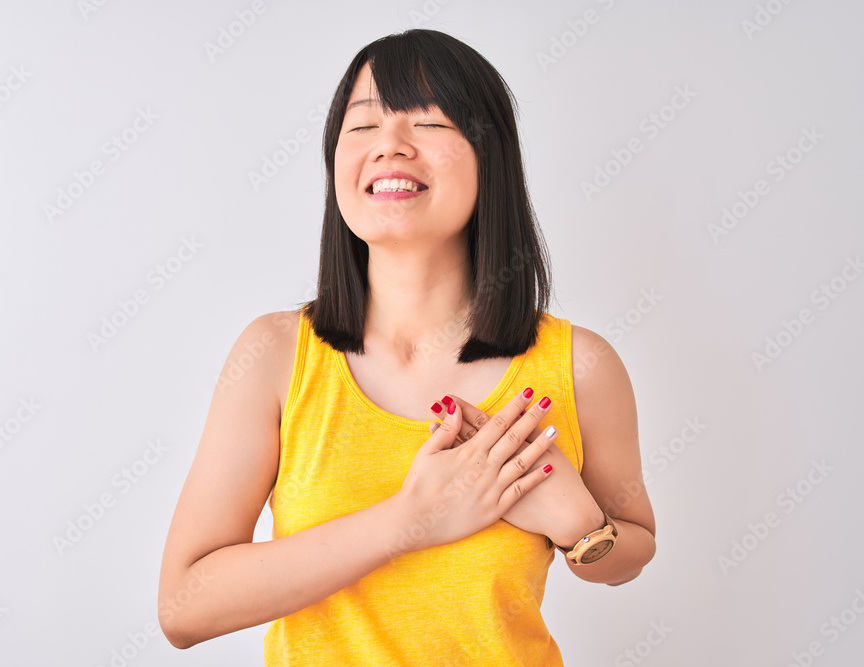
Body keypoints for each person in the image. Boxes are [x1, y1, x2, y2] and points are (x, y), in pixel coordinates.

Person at [158, 28, 656, 665]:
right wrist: (413, 517)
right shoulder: (277, 356)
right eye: (361, 126)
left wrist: (581, 526)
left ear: (489, 155)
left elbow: (625, 558)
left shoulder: (582, 365)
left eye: (429, 122)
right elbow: (183, 609)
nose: (389, 145)